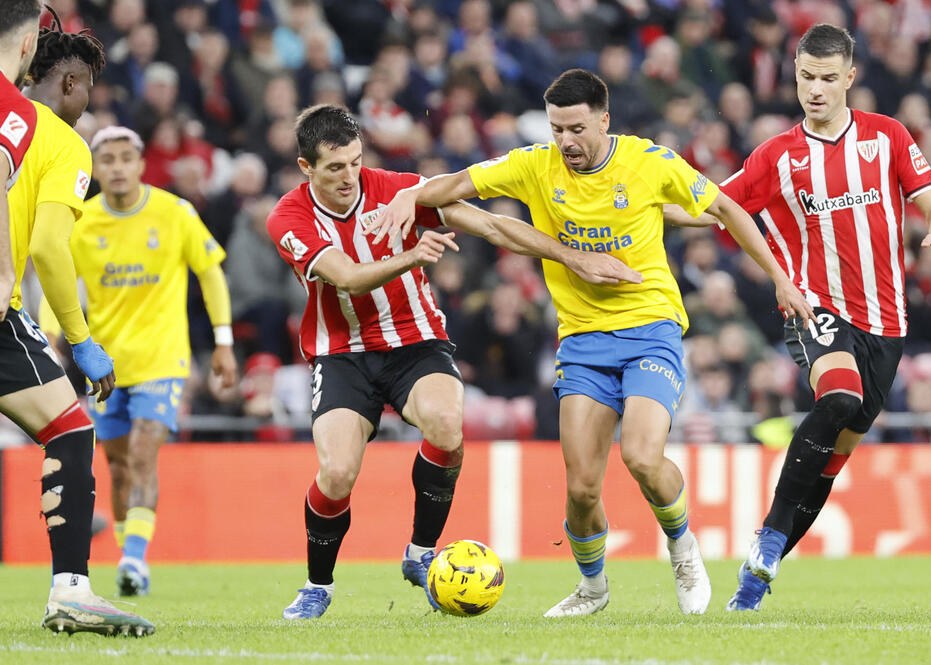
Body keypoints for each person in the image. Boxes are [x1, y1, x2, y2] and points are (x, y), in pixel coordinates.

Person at [369, 69, 813, 617]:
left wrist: (780, 278)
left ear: (604, 119)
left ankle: (682, 545)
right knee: (581, 490)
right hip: (581, 339)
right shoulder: (535, 163)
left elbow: (724, 208)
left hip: (651, 327)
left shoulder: (649, 162)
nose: (566, 142)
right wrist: (407, 197)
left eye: (576, 128)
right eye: (557, 128)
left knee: (643, 457)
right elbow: (455, 185)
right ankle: (593, 589)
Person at [267, 105, 641, 621]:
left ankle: (421, 554)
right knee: (335, 473)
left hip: (416, 341)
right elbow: (348, 278)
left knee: (446, 423)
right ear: (306, 168)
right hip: (342, 354)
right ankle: (318, 585)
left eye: (355, 162)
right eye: (334, 168)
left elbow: (490, 225)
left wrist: (574, 257)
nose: (350, 176)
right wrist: (412, 257)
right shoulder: (287, 218)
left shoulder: (399, 188)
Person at [666, 24, 931, 611]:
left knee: (832, 459)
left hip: (887, 323)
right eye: (805, 78)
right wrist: (644, 213)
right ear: (794, 75)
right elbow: (714, 208)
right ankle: (770, 537)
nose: (815, 90)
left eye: (828, 79)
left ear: (850, 78)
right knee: (840, 399)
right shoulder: (776, 156)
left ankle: (753, 581)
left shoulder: (889, 138)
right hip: (814, 305)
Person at [1, 6, 153, 635]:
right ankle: (70, 591)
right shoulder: (60, 140)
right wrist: (83, 341)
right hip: (2, 314)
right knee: (69, 429)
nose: (91, 100)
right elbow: (48, 248)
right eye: (90, 86)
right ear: (69, 82)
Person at [39, 125, 239, 597]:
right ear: (95, 168)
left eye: (126, 158)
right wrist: (50, 333)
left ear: (141, 163)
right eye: (107, 160)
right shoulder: (80, 220)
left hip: (163, 361)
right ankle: (129, 553)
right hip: (106, 368)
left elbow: (210, 273)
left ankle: (134, 560)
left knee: (145, 455)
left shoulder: (174, 212)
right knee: (120, 467)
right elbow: (55, 279)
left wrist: (224, 341)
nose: (117, 168)